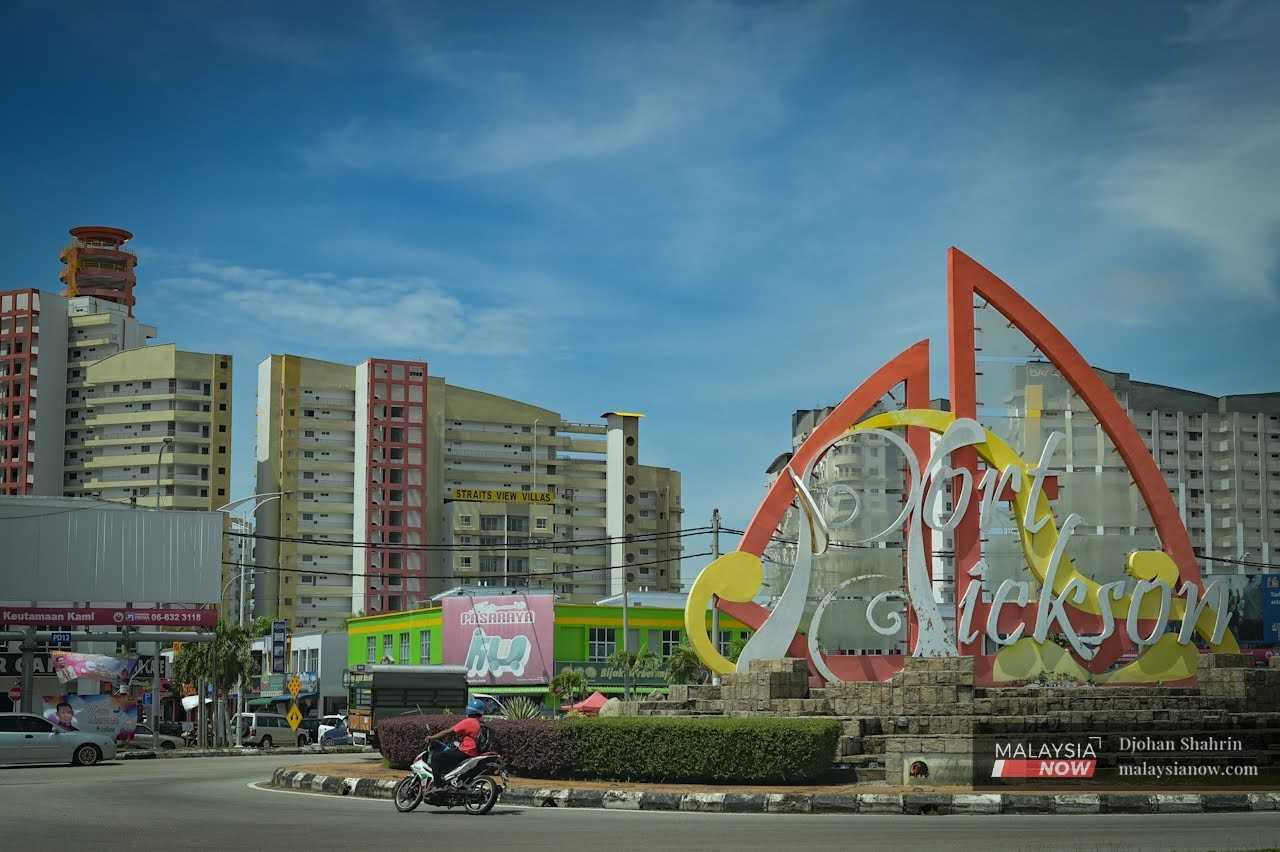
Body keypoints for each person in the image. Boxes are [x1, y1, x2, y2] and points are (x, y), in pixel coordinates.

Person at [425, 699, 486, 788]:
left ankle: (438, 785)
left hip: (465, 752)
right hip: (475, 754)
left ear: (469, 710)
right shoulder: (481, 724)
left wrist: (432, 737)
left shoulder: (469, 721)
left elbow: (448, 732)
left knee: (436, 758)